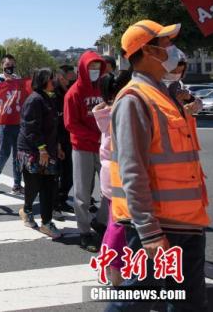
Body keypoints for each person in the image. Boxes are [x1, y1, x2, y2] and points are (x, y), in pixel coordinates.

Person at [104, 21, 209, 311]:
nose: (173, 50)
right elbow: (132, 171)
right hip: (158, 227)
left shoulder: (165, 95)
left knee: (189, 304)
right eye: (166, 44)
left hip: (187, 223)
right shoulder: (134, 99)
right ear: (148, 51)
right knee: (136, 299)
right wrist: (149, 231)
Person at [92, 70, 132, 287]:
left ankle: (109, 265)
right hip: (119, 173)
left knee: (112, 222)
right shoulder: (121, 111)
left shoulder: (105, 112)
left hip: (109, 173)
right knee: (119, 224)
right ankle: (115, 272)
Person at [64, 50, 105, 253]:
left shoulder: (103, 89)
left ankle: (99, 221)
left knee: (111, 190)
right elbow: (70, 123)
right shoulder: (73, 93)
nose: (95, 71)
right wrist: (94, 136)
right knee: (82, 194)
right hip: (82, 147)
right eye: (91, 67)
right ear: (83, 68)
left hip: (104, 147)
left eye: (98, 67)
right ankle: (84, 232)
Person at [17, 68, 63, 239]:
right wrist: (42, 149)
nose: (55, 81)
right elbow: (31, 128)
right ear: (43, 80)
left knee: (49, 186)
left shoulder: (50, 98)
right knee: (33, 185)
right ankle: (27, 210)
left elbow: (53, 126)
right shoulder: (34, 100)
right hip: (32, 150)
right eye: (52, 78)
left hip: (47, 149)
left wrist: (57, 146)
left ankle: (46, 222)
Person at [0, 54, 24, 195]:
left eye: (12, 65)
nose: (9, 67)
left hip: (18, 123)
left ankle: (17, 184)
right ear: (2, 66)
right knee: (4, 154)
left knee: (18, 155)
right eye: (7, 65)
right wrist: (6, 83)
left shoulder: (18, 81)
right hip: (4, 123)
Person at [53, 64, 77, 221]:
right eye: (70, 78)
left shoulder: (68, 92)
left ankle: (62, 199)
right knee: (56, 174)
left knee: (69, 174)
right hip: (56, 140)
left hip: (68, 137)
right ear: (61, 77)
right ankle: (54, 205)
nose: (72, 81)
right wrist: (57, 143)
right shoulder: (53, 94)